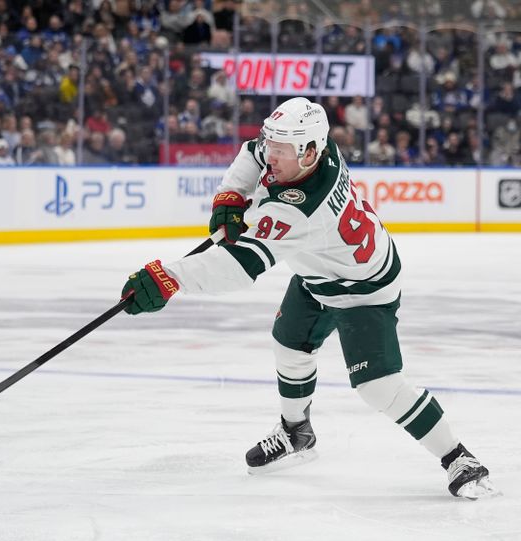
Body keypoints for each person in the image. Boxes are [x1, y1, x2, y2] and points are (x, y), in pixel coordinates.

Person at [119, 97, 496, 500]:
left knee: (377, 386)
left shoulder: (301, 209)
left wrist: (170, 277)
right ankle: (296, 432)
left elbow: (240, 266)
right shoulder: (316, 149)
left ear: (309, 152)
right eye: (273, 144)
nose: (271, 157)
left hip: (363, 289)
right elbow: (253, 152)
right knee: (289, 345)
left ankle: (459, 457)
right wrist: (231, 195)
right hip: (320, 272)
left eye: (281, 151)